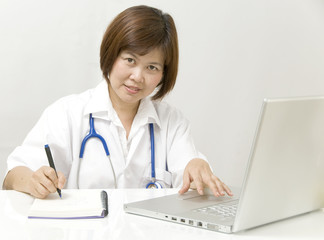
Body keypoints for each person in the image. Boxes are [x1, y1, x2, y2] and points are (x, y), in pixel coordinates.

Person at [3, 5, 232, 199]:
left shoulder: (172, 122)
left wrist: (196, 167)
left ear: (164, 74)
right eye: (130, 60)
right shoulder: (67, 113)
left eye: (152, 67)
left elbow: (188, 166)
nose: (138, 76)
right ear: (111, 56)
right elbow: (13, 175)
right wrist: (33, 181)